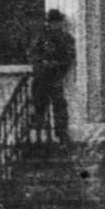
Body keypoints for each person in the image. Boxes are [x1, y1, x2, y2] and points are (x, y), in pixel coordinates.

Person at [28, 9, 75, 145]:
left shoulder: (66, 38)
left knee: (59, 105)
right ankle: (38, 125)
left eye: (57, 22)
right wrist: (42, 62)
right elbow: (32, 54)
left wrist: (58, 64)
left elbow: (70, 56)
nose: (55, 25)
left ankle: (62, 134)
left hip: (57, 75)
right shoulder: (41, 37)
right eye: (52, 22)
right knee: (39, 99)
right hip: (42, 75)